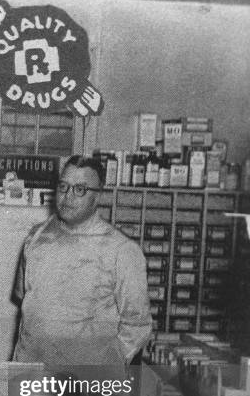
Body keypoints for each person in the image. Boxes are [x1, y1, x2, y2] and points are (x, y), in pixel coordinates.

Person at [13, 155, 152, 374]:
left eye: (80, 189)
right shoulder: (36, 237)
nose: (68, 197)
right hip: (33, 373)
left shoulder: (121, 251)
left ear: (98, 196)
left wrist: (106, 365)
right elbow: (25, 302)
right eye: (63, 187)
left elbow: (138, 325)